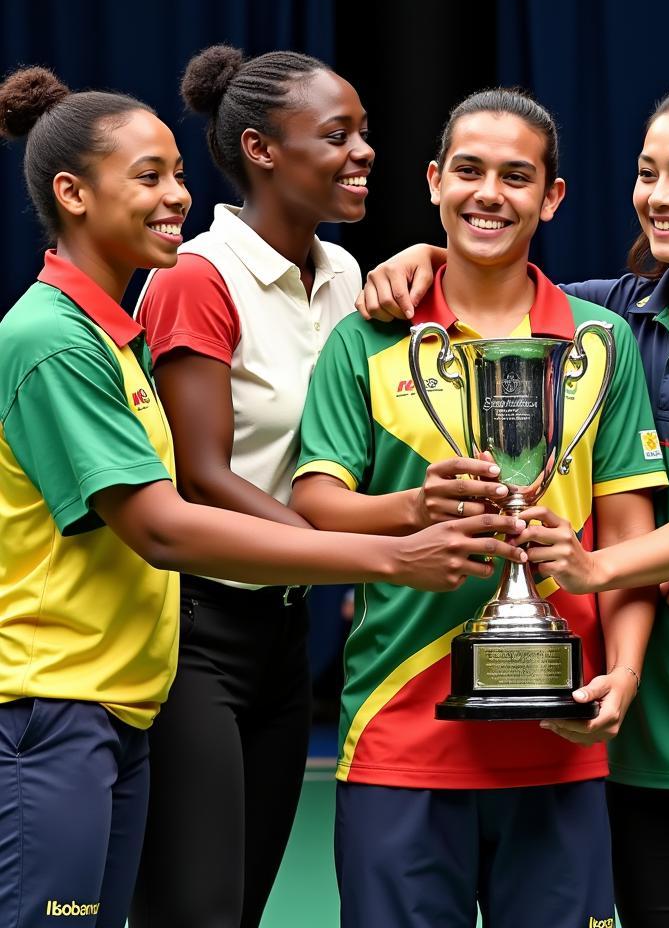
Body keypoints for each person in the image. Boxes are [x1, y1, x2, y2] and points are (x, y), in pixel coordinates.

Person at [0, 66, 527, 928]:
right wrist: (382, 557)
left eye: (176, 173)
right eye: (150, 177)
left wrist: (430, 257)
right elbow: (181, 507)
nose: (176, 194)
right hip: (126, 664)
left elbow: (325, 460)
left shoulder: (138, 326)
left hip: (208, 652)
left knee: (221, 907)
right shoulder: (111, 314)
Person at [360, 74, 669, 927]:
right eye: (646, 173)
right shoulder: (611, 317)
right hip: (634, 737)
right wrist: (428, 257)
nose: (658, 198)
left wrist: (593, 567)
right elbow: (499, 274)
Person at [290, 87, 668, 928]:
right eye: (468, 170)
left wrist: (626, 674)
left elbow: (631, 541)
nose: (489, 193)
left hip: (559, 735)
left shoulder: (599, 342)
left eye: (516, 175)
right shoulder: (372, 334)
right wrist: (411, 511)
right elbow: (316, 501)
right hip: (399, 734)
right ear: (433, 181)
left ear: (551, 197)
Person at [128, 45, 374, 928]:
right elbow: (202, 476)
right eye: (337, 135)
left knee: (244, 907)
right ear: (263, 151)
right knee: (195, 910)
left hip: (284, 630)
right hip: (191, 633)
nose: (363, 152)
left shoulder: (347, 275)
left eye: (365, 134)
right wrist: (367, 557)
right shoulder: (197, 275)